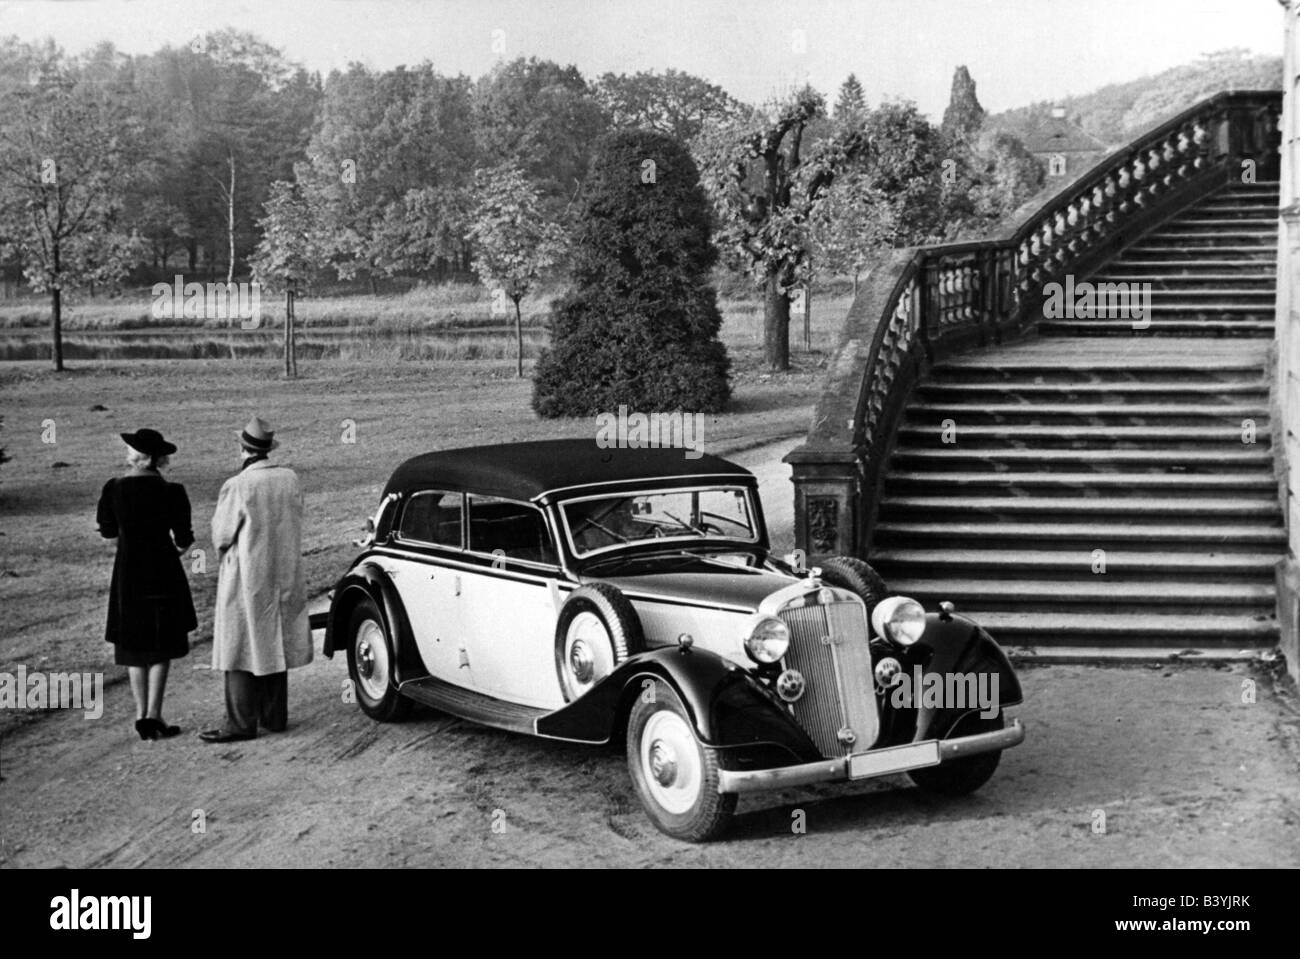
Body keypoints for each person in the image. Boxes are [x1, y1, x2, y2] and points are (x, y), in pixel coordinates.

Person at [200, 417, 312, 743]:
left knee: (240, 644)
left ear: (242, 449)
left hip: (248, 573)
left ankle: (240, 722)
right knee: (274, 638)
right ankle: (274, 715)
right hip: (283, 568)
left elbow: (222, 535)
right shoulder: (289, 478)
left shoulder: (238, 486)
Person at [97, 428, 196, 740]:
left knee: (133, 645)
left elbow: (109, 534)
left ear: (135, 456)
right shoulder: (172, 492)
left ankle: (141, 713)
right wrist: (167, 552)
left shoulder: (113, 489)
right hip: (163, 571)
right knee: (161, 643)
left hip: (128, 573)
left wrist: (130, 549)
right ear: (157, 459)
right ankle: (154, 713)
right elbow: (183, 540)